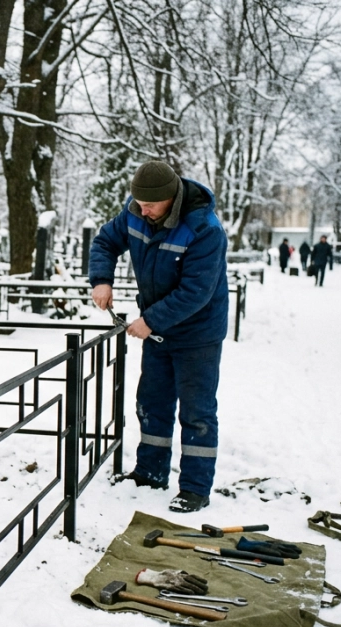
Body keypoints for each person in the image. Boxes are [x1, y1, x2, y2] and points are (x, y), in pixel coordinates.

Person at [88, 160, 229, 513]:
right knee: (152, 403)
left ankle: (195, 488)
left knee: (197, 412)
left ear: (171, 199)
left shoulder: (204, 229)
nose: (142, 209)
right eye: (139, 203)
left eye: (150, 204)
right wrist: (101, 279)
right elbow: (105, 242)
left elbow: (196, 291)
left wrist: (150, 320)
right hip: (159, 333)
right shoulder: (136, 212)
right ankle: (150, 472)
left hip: (198, 334)